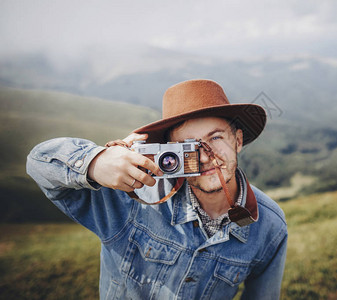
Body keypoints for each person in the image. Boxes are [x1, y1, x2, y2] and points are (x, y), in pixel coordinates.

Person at [27, 79, 287, 299]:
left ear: (238, 140)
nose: (206, 157)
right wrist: (95, 162)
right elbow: (38, 162)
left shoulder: (270, 227)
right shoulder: (131, 198)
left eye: (215, 138)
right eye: (188, 148)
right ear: (169, 153)